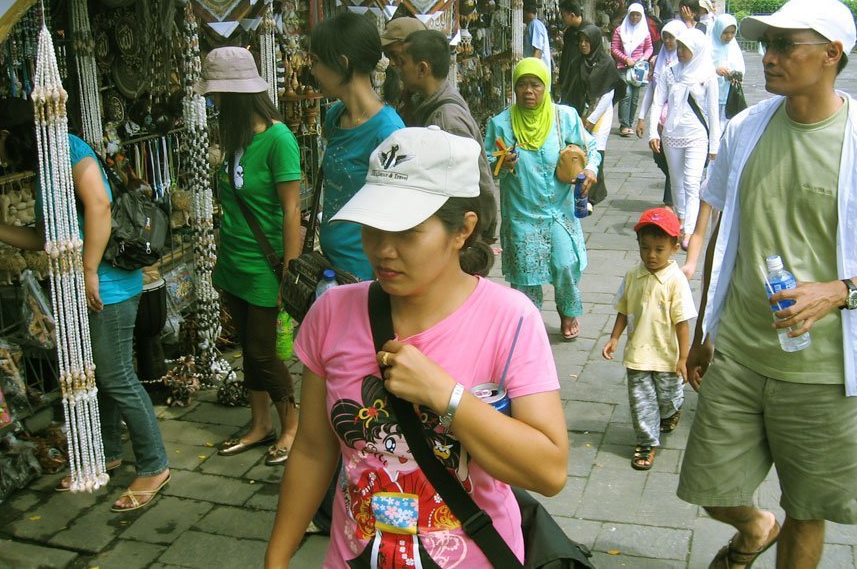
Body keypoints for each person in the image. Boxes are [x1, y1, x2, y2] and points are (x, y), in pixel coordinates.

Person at [678, 0, 857, 569]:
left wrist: (837, 291)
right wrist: (703, 331)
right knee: (710, 487)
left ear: (831, 54)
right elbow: (723, 238)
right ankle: (753, 527)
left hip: (823, 371)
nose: (767, 56)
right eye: (764, 44)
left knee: (808, 507)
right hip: (742, 354)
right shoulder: (746, 130)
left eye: (783, 45)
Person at [265, 126, 568, 568]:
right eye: (373, 227)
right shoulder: (331, 314)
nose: (383, 250)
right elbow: (313, 449)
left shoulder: (510, 320)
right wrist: (276, 558)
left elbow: (549, 470)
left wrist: (448, 397)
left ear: (463, 230)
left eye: (407, 231)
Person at [0, 98, 171, 512]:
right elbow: (45, 238)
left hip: (105, 283)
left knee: (117, 376)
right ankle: (106, 452)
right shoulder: (45, 165)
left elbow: (99, 205)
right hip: (87, 285)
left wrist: (89, 268)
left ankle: (154, 465)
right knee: (99, 375)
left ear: (5, 134)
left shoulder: (68, 148)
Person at [201, 47, 302, 467]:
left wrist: (289, 275)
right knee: (247, 347)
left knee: (264, 352)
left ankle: (292, 425)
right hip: (233, 264)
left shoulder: (279, 139)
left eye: (219, 97)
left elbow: (292, 210)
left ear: (236, 96)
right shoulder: (236, 137)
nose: (214, 104)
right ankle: (259, 424)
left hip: (266, 266)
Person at [484, 58, 599, 341]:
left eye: (535, 85)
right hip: (522, 213)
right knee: (525, 275)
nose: (528, 91)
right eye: (522, 85)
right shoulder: (501, 124)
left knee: (565, 263)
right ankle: (529, 323)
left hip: (558, 211)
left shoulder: (565, 117)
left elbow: (590, 147)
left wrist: (590, 170)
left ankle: (567, 310)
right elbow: (486, 161)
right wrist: (503, 163)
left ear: (546, 87)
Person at [313, 13, 406, 280]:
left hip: (366, 273)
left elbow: (397, 215)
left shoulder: (389, 132)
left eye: (316, 62)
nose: (312, 71)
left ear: (342, 64)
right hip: (329, 265)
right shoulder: (334, 117)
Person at [602, 208, 695, 472]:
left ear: (674, 248)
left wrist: (684, 358)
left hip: (668, 356)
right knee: (642, 402)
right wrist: (614, 337)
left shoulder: (676, 281)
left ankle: (671, 411)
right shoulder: (633, 275)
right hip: (638, 355)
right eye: (645, 248)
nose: (651, 256)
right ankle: (646, 441)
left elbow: (682, 322)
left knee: (667, 398)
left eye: (659, 249)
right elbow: (624, 307)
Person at [397, 29, 497, 244]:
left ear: (422, 69)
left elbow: (479, 180)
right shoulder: (431, 102)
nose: (398, 68)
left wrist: (483, 232)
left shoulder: (446, 120)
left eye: (402, 62)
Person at [647, 29, 720, 248]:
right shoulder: (669, 72)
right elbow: (657, 102)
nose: (679, 52)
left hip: (697, 135)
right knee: (676, 181)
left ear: (696, 51)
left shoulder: (707, 75)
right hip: (671, 134)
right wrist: (653, 131)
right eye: (678, 47)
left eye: (684, 49)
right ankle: (679, 220)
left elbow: (713, 111)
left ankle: (689, 229)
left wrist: (714, 144)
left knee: (691, 181)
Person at [569, 23, 625, 210]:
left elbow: (607, 93)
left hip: (600, 114)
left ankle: (592, 197)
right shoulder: (577, 62)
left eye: (587, 41)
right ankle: (582, 191)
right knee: (580, 152)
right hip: (581, 112)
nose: (583, 45)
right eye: (580, 41)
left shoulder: (606, 62)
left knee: (596, 152)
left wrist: (592, 118)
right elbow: (572, 87)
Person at [637, 20, 687, 209]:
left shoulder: (685, 61)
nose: (668, 41)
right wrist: (642, 117)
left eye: (672, 37)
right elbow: (653, 91)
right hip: (661, 119)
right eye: (665, 37)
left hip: (679, 119)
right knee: (660, 157)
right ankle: (675, 187)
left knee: (672, 159)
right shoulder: (659, 60)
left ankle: (669, 202)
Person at [611, 2, 653, 137]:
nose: (635, 17)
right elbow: (614, 49)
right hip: (623, 67)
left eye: (638, 15)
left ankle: (629, 123)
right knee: (626, 93)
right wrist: (625, 59)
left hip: (638, 69)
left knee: (635, 96)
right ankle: (624, 125)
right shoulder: (620, 31)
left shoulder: (644, 32)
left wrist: (643, 58)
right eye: (633, 15)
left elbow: (649, 48)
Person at [380, 16, 426, 123]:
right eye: (387, 56)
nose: (391, 63)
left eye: (395, 55)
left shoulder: (443, 112)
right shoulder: (408, 92)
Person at [711, 13, 746, 122]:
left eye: (732, 32)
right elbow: (701, 68)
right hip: (713, 92)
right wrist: (715, 70)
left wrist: (737, 75)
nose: (729, 36)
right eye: (725, 32)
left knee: (727, 122)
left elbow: (740, 67)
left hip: (730, 93)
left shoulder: (733, 47)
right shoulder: (709, 47)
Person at [556, 0, 585, 103]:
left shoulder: (588, 32)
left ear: (572, 15)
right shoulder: (569, 32)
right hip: (567, 81)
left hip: (580, 82)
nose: (562, 19)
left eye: (564, 16)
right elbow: (566, 57)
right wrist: (561, 79)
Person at [523, 0, 552, 72]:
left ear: (524, 11)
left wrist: (532, 72)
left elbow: (538, 51)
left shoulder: (535, 25)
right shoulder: (532, 25)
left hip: (537, 73)